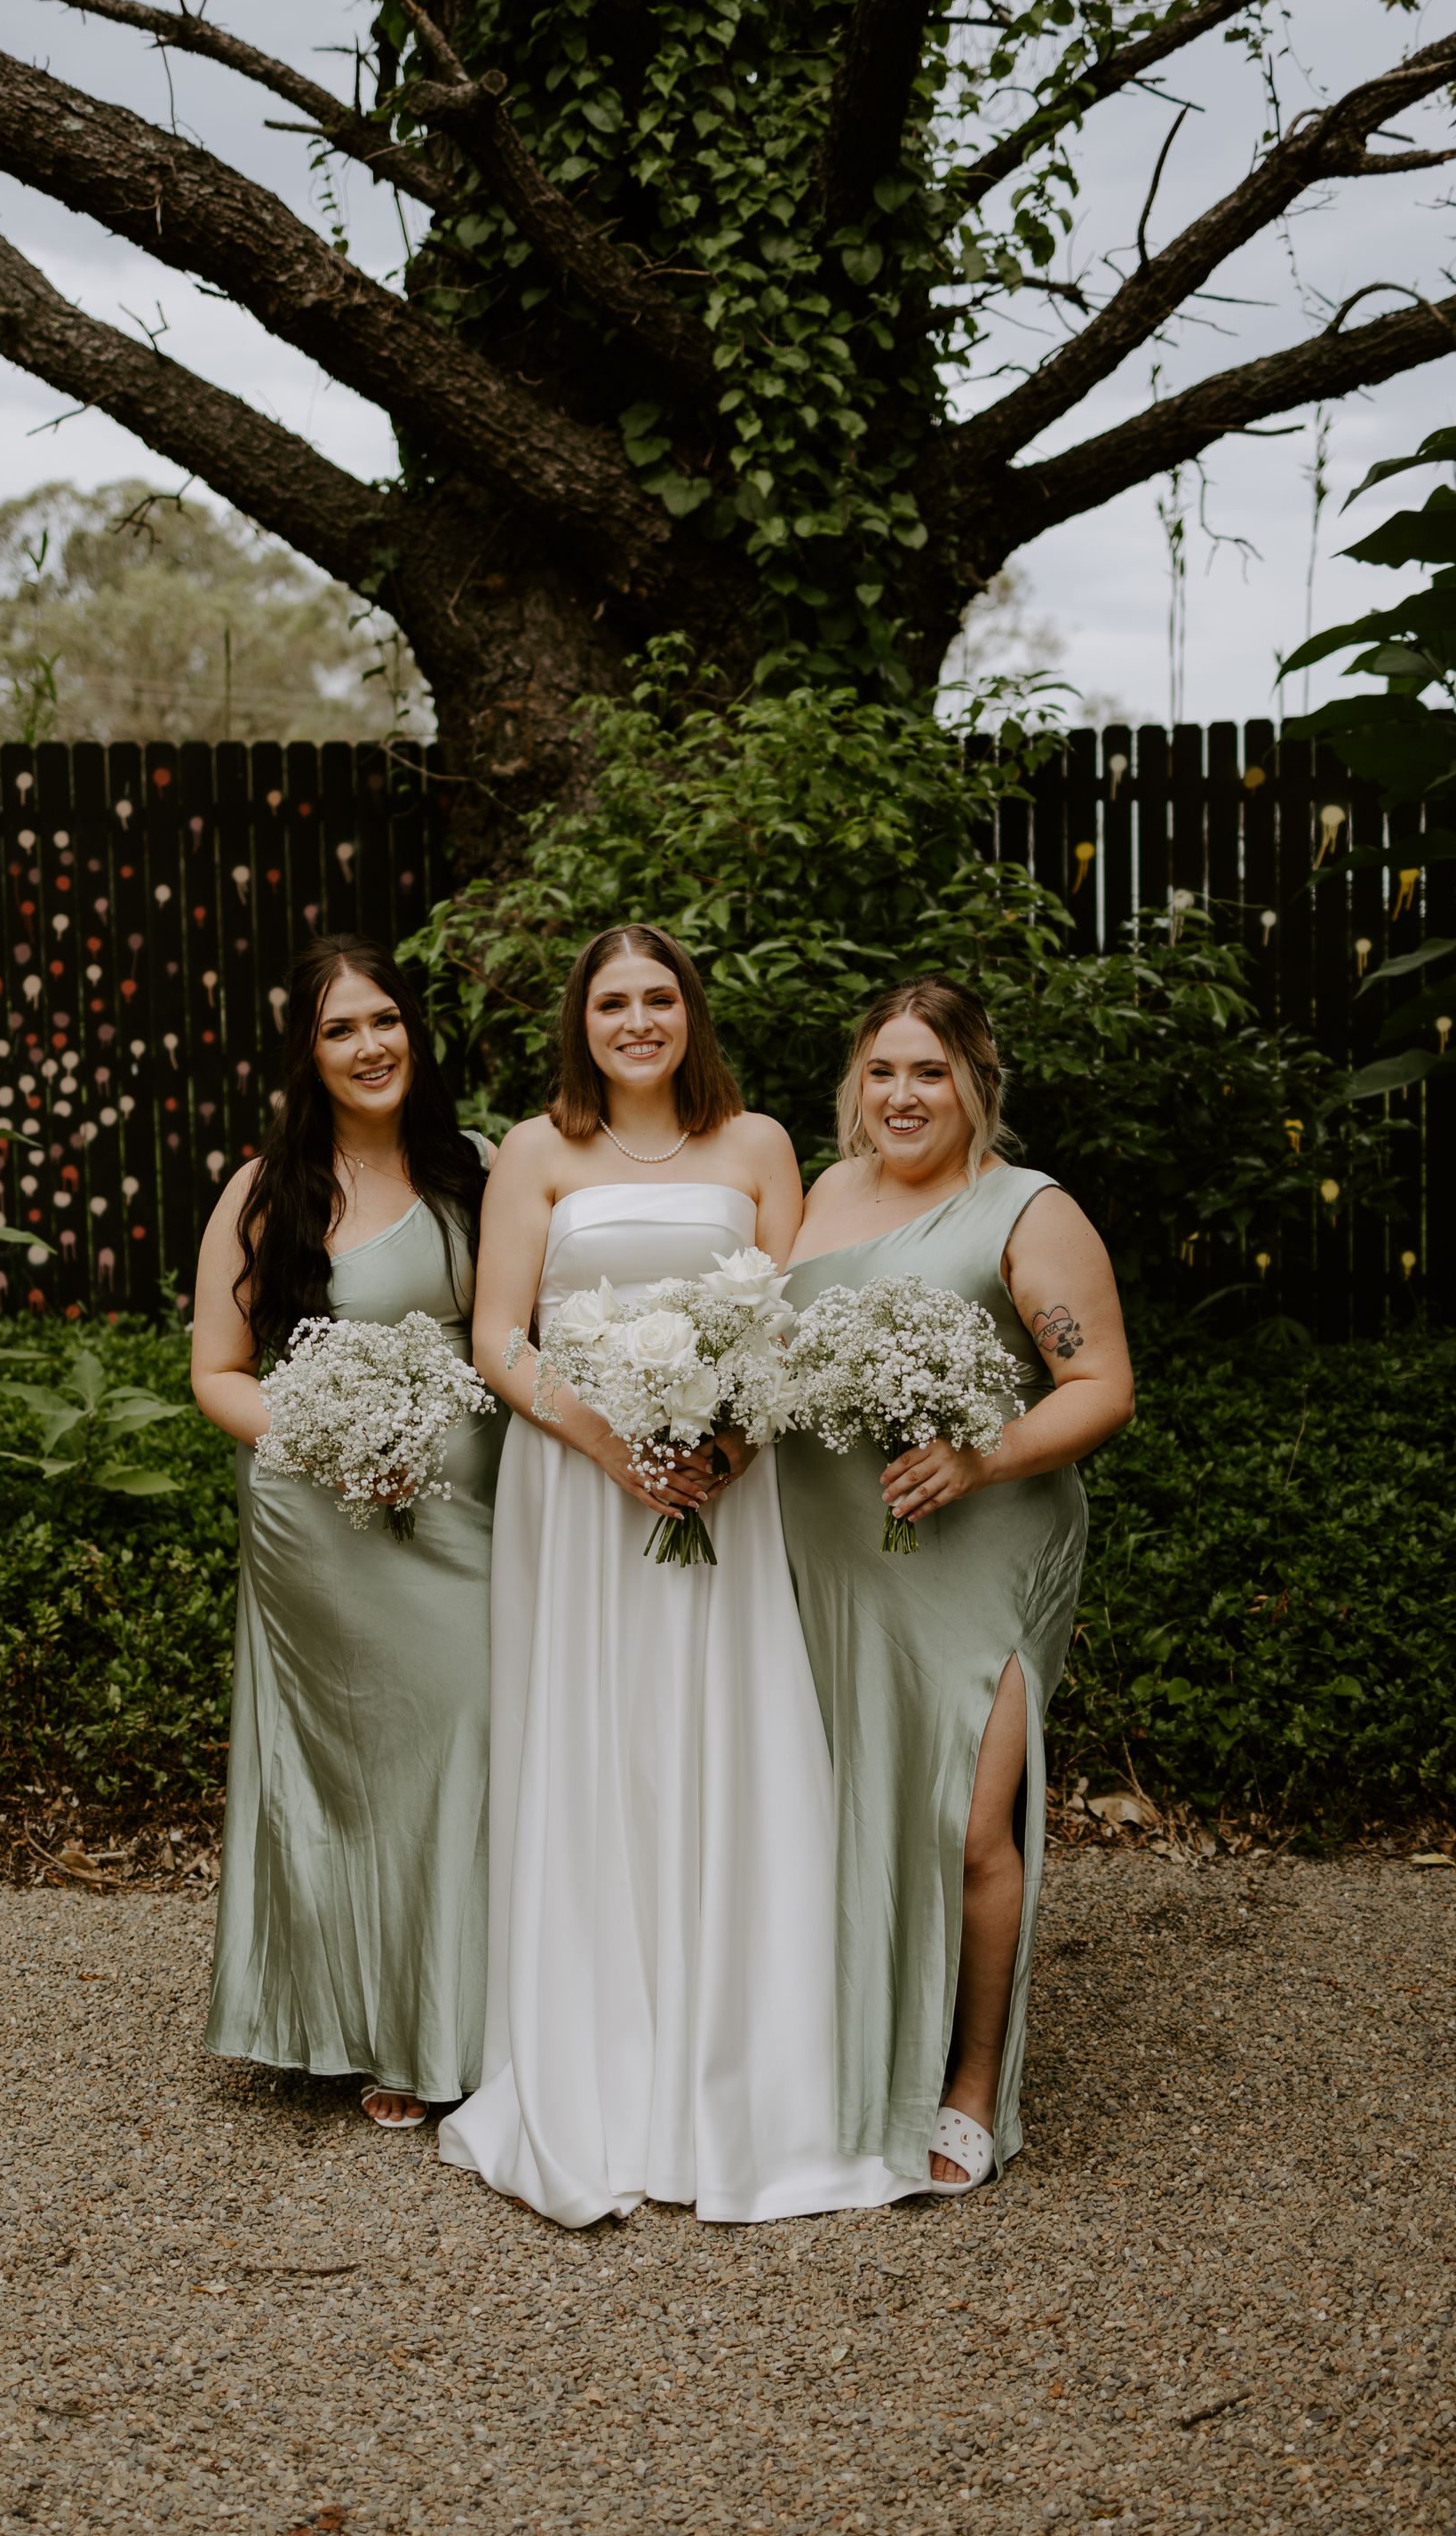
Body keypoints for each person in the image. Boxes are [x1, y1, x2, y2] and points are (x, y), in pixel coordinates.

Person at [437, 925, 922, 2225]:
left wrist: (722, 1440)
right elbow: (497, 1336)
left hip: (725, 1490)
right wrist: (612, 1447)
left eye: (659, 998)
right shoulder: (536, 1150)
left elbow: (790, 1325)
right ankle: (594, 2070)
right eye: (613, 1002)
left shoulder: (759, 1146)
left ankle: (742, 2079)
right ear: (580, 1021)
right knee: (599, 1749)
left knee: (723, 1742)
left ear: (690, 1013)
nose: (638, 1020)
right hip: (579, 1491)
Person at [778, 977, 1134, 2195]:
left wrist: (979, 1456)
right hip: (829, 1555)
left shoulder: (1025, 1211)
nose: (903, 1095)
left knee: (967, 1820)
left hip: (982, 1549)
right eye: (883, 1071)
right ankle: (856, 2048)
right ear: (856, 1084)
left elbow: (1099, 1390)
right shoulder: (824, 1195)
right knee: (847, 1804)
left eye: (930, 1072)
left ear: (977, 1082)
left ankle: (973, 2083)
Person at [190, 936, 503, 2127]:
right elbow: (218, 1373)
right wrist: (328, 1440)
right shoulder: (269, 1189)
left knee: (478, 1732)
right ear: (306, 1056)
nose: (368, 1046)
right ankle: (371, 2027)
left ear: (414, 1032)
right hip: (327, 1516)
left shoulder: (483, 1168)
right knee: (368, 1765)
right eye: (338, 1029)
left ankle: (470, 2013)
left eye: (383, 1020)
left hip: (478, 1508)